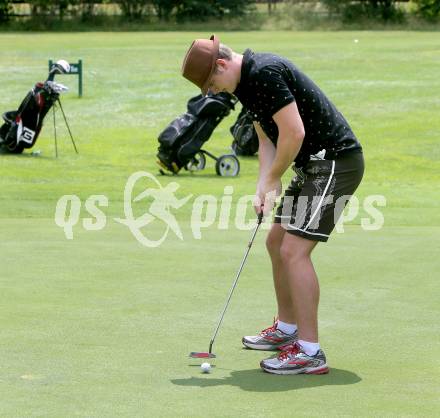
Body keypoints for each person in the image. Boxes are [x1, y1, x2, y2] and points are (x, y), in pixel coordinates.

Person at [181, 35, 364, 375]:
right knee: (275, 240)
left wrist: (274, 177)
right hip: (312, 165)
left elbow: (293, 132)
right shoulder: (245, 86)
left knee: (294, 250)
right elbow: (268, 139)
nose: (214, 90)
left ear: (221, 65)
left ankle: (310, 352)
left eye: (211, 83)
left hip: (336, 162)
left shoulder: (264, 72)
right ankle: (287, 328)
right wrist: (264, 185)